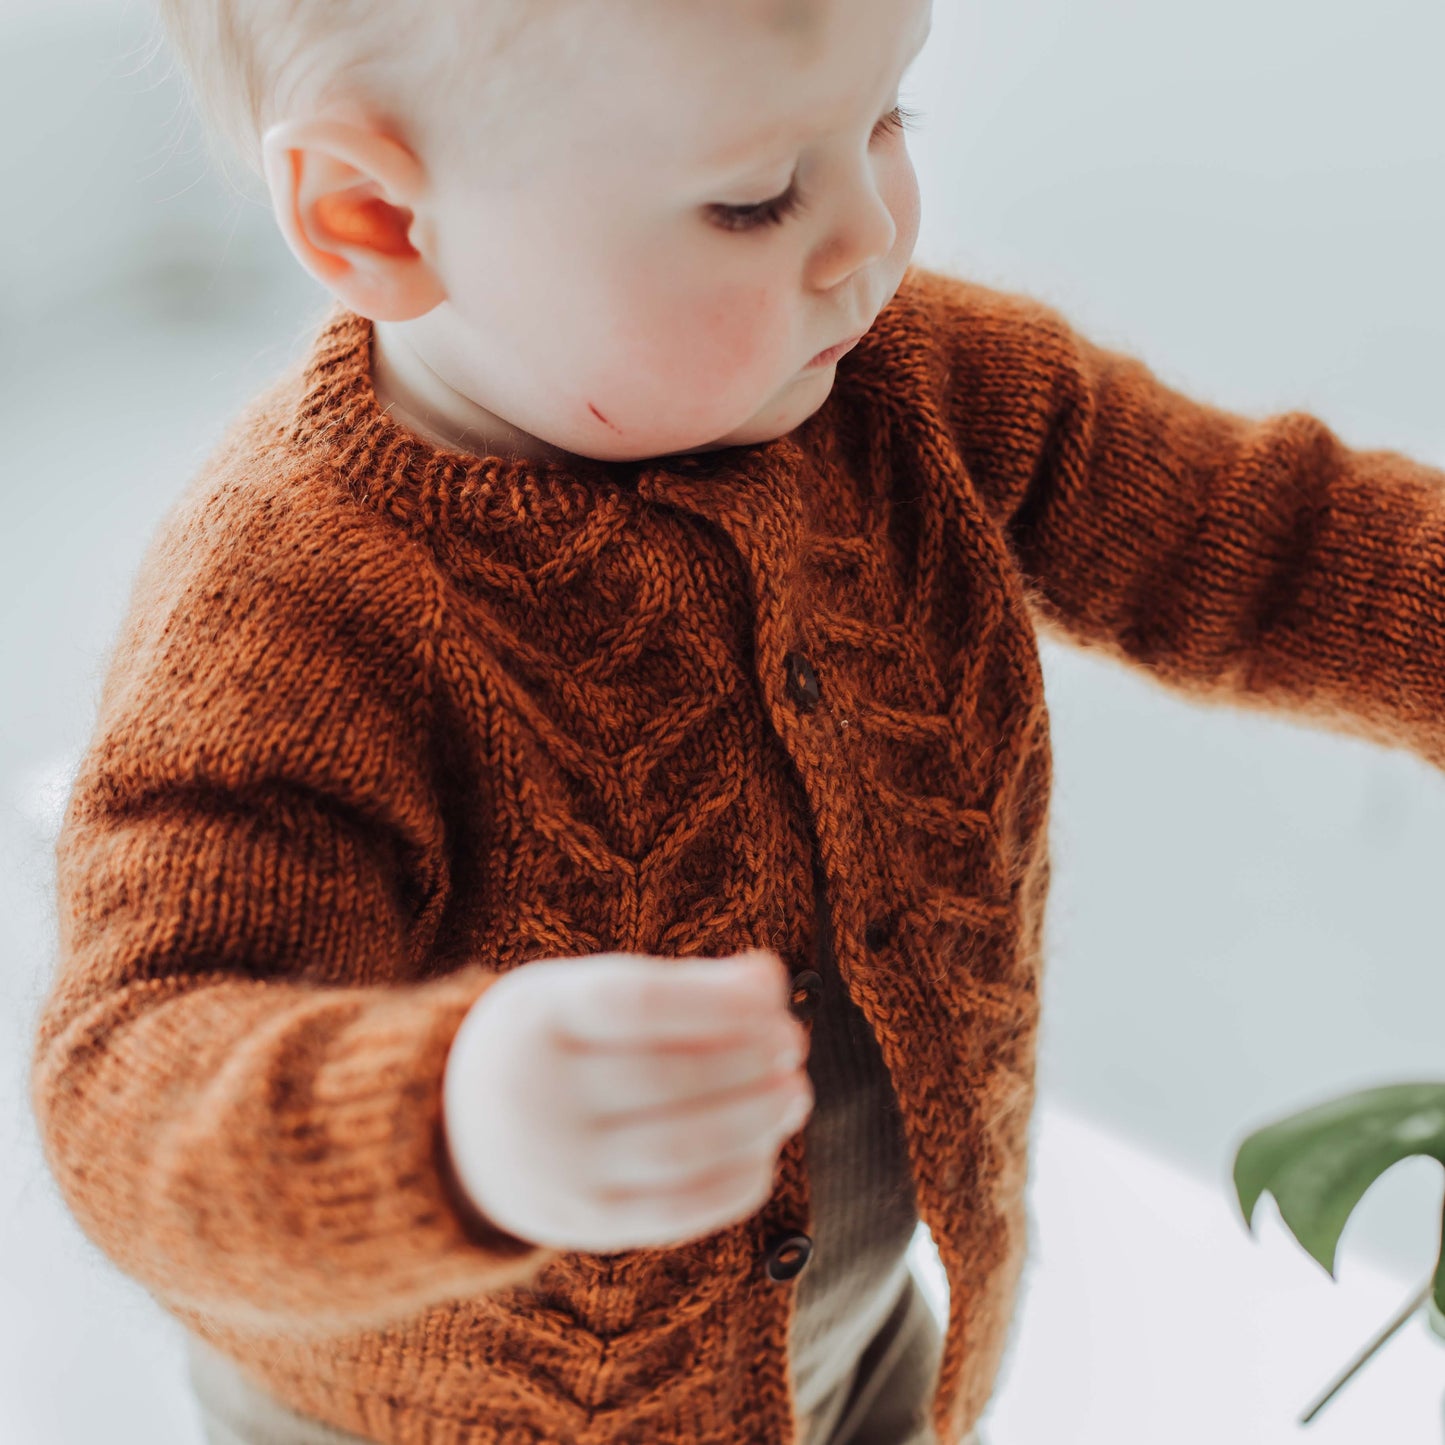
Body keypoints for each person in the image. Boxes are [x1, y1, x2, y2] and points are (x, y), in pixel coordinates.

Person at [26, 0, 1444, 1442]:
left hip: (851, 1353)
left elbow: (1270, 541)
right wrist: (449, 1126)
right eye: (753, 200)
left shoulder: (913, 392)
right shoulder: (294, 605)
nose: (868, 243)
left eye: (889, 119)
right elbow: (131, 1084)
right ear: (376, 218)